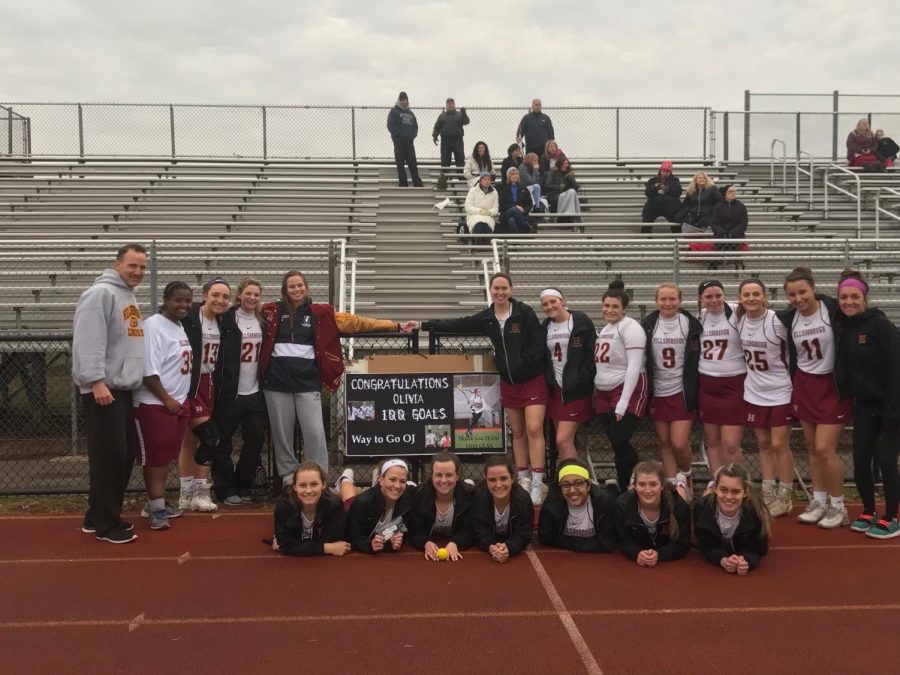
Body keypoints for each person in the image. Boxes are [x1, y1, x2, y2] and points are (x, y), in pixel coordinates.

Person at [260, 271, 416, 485]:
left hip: (307, 383)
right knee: (282, 434)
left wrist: (394, 325)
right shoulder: (271, 312)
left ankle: (318, 478)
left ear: (306, 287)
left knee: (314, 432)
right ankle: (289, 479)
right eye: (292, 286)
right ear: (284, 290)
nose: (297, 290)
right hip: (276, 383)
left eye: (300, 285)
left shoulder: (321, 312)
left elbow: (357, 323)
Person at [422, 273, 548, 504]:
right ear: (491, 290)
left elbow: (538, 343)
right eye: (496, 288)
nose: (500, 292)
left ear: (511, 290)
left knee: (534, 428)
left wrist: (524, 364)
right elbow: (459, 324)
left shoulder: (524, 312)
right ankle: (523, 478)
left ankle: (538, 482)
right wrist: (424, 324)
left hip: (531, 378)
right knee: (517, 432)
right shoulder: (488, 317)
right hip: (508, 382)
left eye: (504, 288)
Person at [73, 243, 147, 544]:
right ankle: (106, 524)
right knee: (109, 456)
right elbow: (88, 341)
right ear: (117, 265)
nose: (139, 272)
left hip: (123, 388)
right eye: (133, 266)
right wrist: (95, 381)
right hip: (104, 389)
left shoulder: (127, 295)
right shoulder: (100, 294)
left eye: (143, 267)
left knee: (124, 453)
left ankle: (96, 516)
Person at [781, 267, 852, 529]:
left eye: (802, 292)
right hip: (805, 384)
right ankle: (819, 500)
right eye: (792, 294)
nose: (798, 298)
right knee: (811, 447)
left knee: (825, 448)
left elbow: (855, 301)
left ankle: (839, 506)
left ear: (813, 289)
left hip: (831, 385)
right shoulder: (789, 319)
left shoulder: (832, 310)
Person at [834, 269, 900, 539]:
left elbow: (897, 369)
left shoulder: (881, 325)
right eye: (844, 297)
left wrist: (893, 411)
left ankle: (892, 517)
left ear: (865, 298)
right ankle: (868, 510)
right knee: (860, 459)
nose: (849, 302)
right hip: (865, 406)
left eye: (854, 297)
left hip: (892, 406)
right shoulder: (844, 325)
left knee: (886, 460)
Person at [132, 281, 193, 531]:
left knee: (166, 458)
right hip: (154, 403)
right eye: (178, 300)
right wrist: (167, 398)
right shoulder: (153, 326)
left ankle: (154, 502)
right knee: (155, 460)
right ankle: (156, 509)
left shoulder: (177, 326)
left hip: (175, 404)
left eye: (188, 301)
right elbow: (148, 370)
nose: (184, 305)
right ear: (166, 299)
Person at [735, 278, 795, 518]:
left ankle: (786, 494)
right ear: (740, 298)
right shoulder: (738, 321)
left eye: (755, 294)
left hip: (780, 390)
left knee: (780, 444)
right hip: (754, 390)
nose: (751, 298)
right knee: (763, 444)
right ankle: (768, 491)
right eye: (746, 294)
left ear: (764, 296)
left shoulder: (777, 321)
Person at [641, 282, 702, 502]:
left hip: (681, 390)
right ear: (656, 301)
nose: (668, 303)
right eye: (663, 299)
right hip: (658, 390)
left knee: (678, 442)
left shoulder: (690, 324)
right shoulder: (649, 324)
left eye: (672, 299)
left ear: (680, 300)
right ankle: (670, 486)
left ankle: (686, 475)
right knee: (665, 442)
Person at [175, 277, 230, 514]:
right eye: (215, 295)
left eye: (225, 297)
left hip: (210, 384)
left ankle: (186, 494)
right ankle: (199, 491)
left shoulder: (223, 321)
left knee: (190, 442)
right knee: (210, 437)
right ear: (205, 294)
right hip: (190, 382)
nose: (220, 300)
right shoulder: (189, 318)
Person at [211, 278, 268, 505]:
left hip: (255, 392)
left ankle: (243, 483)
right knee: (223, 441)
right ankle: (225, 488)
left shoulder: (262, 321)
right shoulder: (226, 319)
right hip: (230, 391)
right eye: (248, 293)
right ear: (240, 295)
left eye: (256, 294)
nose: (252, 298)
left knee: (255, 440)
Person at [594, 280, 648, 491]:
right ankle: (625, 483)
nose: (609, 310)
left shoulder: (631, 327)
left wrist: (623, 402)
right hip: (605, 390)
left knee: (620, 438)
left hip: (627, 387)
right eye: (606, 305)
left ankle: (641, 477)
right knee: (617, 443)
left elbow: (634, 365)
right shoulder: (606, 328)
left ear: (624, 308)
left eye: (615, 306)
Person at [696, 280, 746, 479]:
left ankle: (738, 484)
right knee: (713, 440)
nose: (714, 300)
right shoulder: (698, 318)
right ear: (701, 299)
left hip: (733, 383)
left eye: (718, 295)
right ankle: (718, 483)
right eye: (709, 296)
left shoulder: (737, 313)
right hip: (707, 383)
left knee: (731, 444)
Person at [540, 288, 596, 462]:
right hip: (555, 389)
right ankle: (568, 480)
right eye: (545, 304)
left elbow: (591, 353)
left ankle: (576, 480)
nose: (549, 306)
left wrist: (582, 378)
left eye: (553, 301)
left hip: (575, 390)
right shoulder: (545, 326)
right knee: (563, 442)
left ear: (562, 300)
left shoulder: (580, 321)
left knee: (563, 440)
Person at [694, 463, 771, 574]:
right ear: (716, 489)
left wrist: (745, 560)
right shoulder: (701, 508)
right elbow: (706, 545)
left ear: (745, 492)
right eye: (723, 490)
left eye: (736, 492)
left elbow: (759, 548)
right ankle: (708, 489)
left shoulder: (756, 511)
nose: (729, 497)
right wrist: (723, 560)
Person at [614, 460, 691, 565]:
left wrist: (660, 554)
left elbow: (683, 544)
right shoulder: (622, 505)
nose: (647, 490)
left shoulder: (679, 506)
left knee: (681, 497)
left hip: (665, 560)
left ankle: (681, 485)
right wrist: (637, 553)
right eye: (641, 484)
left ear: (662, 485)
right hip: (640, 555)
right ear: (634, 486)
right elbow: (623, 539)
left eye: (653, 484)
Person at [271, 461, 350, 557]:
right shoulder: (284, 507)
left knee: (350, 504)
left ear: (323, 485)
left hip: (333, 503)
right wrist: (327, 548)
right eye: (302, 485)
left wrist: (295, 545)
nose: (308, 491)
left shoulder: (334, 505)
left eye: (314, 484)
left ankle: (346, 480)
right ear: (295, 487)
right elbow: (286, 546)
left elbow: (334, 540)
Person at [537, 459, 616, 553]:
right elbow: (545, 537)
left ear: (588, 486)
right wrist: (579, 543)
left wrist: (571, 543)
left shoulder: (604, 503)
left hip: (597, 562)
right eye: (565, 485)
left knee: (614, 493)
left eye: (578, 484)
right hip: (567, 561)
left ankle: (613, 486)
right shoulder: (551, 505)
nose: (572, 490)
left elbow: (607, 543)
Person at [410, 451, 474, 561]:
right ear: (431, 476)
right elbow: (415, 531)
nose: (443, 480)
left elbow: (469, 531)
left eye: (449, 475)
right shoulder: (419, 495)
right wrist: (425, 543)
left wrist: (455, 543)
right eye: (438, 475)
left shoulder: (469, 495)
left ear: (457, 476)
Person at [471, 455, 534, 562]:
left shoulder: (523, 499)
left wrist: (510, 548)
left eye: (504, 478)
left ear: (512, 478)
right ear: (485, 480)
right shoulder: (478, 498)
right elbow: (478, 533)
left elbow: (524, 534)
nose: (498, 485)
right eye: (492, 480)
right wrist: (490, 546)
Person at [346, 458, 415, 554]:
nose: (398, 485)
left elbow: (402, 530)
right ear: (381, 480)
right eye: (392, 479)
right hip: (352, 504)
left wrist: (393, 542)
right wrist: (369, 545)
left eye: (403, 481)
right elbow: (352, 537)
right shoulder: (363, 503)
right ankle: (346, 478)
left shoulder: (408, 500)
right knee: (348, 498)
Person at [386, 91, 423, 187]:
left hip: (409, 142)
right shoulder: (394, 111)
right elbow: (390, 125)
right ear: (399, 100)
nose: (404, 102)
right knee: (400, 163)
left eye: (406, 100)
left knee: (413, 163)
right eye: (402, 100)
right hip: (399, 142)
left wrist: (413, 135)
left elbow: (415, 126)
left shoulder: (410, 113)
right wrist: (399, 135)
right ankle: (403, 183)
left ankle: (417, 183)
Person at [641, 160, 683, 234]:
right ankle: (645, 236)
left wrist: (667, 189)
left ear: (670, 172)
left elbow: (678, 192)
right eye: (663, 171)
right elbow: (647, 193)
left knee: (676, 214)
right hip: (654, 204)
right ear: (660, 171)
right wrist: (654, 187)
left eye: (667, 172)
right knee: (647, 213)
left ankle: (677, 235)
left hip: (669, 205)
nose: (665, 173)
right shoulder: (652, 180)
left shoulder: (675, 180)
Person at [432, 98, 469, 168]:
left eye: (452, 103)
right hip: (445, 141)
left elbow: (466, 122)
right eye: (448, 104)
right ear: (446, 105)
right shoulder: (442, 115)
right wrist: (435, 136)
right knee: (445, 160)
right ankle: (445, 177)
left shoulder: (460, 114)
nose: (450, 105)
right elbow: (437, 127)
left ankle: (461, 178)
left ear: (454, 104)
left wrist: (464, 114)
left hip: (458, 140)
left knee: (460, 160)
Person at [710, 184, 749, 251]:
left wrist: (733, 233)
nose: (733, 193)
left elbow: (743, 223)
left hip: (736, 238)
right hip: (720, 238)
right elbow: (714, 223)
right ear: (725, 193)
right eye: (730, 191)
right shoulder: (718, 206)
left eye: (734, 191)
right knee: (718, 258)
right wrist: (723, 233)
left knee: (734, 259)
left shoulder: (741, 206)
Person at [496, 167, 534, 235]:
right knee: (514, 209)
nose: (515, 176)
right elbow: (501, 206)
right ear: (508, 176)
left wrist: (524, 210)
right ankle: (526, 227)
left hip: (521, 214)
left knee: (512, 220)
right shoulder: (503, 189)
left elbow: (529, 204)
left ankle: (516, 239)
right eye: (512, 174)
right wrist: (515, 207)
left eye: (516, 174)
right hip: (506, 214)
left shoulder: (524, 189)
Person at [463, 172, 500, 239]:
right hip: (474, 216)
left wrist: (489, 212)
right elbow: (468, 207)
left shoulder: (494, 192)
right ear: (480, 181)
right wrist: (480, 211)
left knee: (487, 227)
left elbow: (495, 208)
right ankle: (478, 247)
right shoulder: (472, 191)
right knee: (478, 226)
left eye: (489, 179)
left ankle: (486, 247)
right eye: (485, 179)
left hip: (488, 217)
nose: (487, 181)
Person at [544, 157, 581, 221]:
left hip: (568, 195)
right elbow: (547, 186)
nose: (565, 165)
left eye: (566, 163)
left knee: (572, 192)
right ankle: (574, 217)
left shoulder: (569, 174)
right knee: (571, 193)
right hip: (555, 195)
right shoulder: (552, 172)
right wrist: (559, 187)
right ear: (559, 164)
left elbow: (576, 188)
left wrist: (570, 178)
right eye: (563, 163)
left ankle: (567, 217)